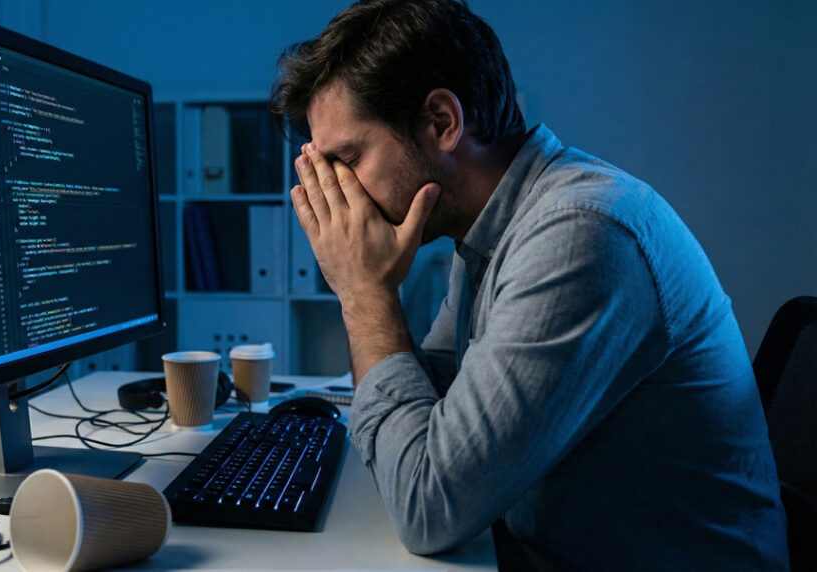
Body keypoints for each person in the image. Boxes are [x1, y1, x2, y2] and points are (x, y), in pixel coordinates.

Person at [268, 0, 789, 568]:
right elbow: (435, 408)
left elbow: (427, 505)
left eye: (349, 159)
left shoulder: (580, 236)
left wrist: (363, 293)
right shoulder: (490, 226)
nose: (340, 194)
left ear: (443, 122)